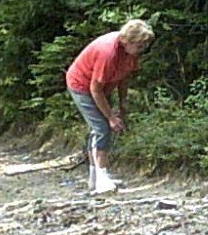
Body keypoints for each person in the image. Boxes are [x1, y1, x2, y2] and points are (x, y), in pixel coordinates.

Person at [66, 19, 154, 195]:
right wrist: (111, 117)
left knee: (99, 129)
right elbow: (95, 89)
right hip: (82, 85)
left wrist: (122, 104)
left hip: (102, 88)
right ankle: (102, 177)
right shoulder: (108, 53)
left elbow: (124, 77)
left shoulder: (130, 54)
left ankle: (95, 178)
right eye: (140, 45)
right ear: (126, 41)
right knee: (102, 128)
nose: (142, 49)